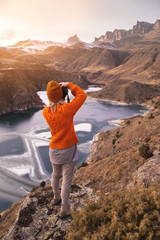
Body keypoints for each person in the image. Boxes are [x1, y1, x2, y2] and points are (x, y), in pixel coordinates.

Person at [43, 80, 87, 218]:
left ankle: (56, 197)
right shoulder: (67, 110)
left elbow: (54, 104)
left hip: (54, 149)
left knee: (55, 175)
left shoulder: (46, 112)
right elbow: (82, 95)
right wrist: (69, 85)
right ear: (62, 94)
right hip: (68, 149)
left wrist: (58, 97)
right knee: (66, 178)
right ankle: (64, 208)